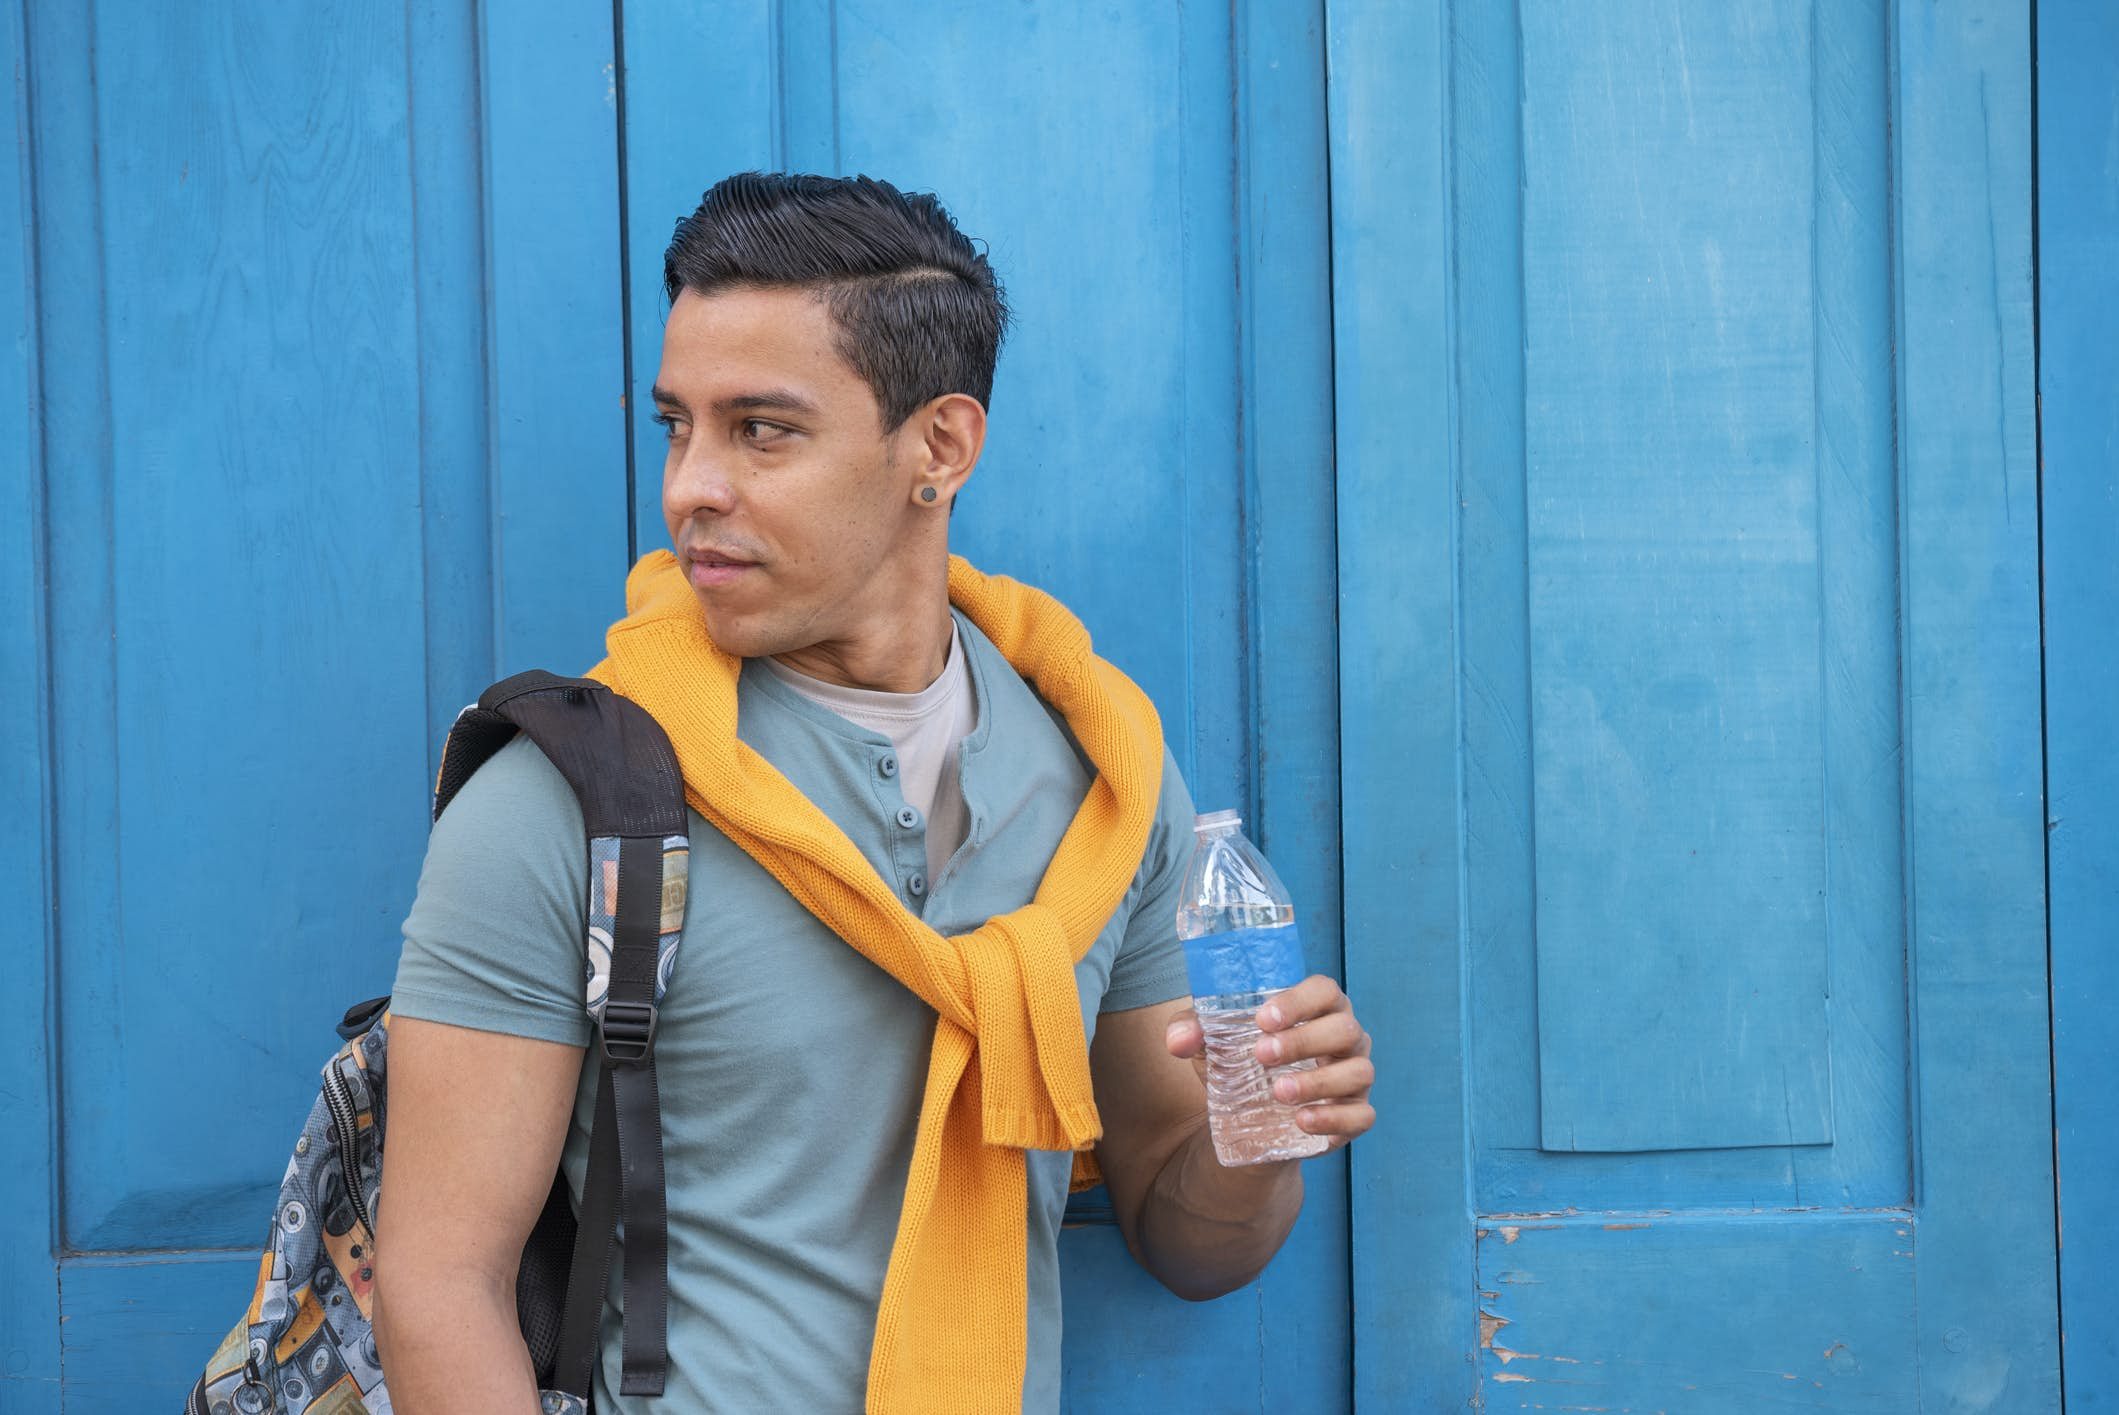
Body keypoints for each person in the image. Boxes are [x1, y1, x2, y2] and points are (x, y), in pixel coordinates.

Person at [371, 172, 1376, 1414]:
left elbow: (1193, 1242)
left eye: (761, 429)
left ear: (938, 447)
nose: (691, 485)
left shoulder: (1105, 786)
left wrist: (1256, 1132)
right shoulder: (572, 799)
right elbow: (434, 1281)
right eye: (676, 424)